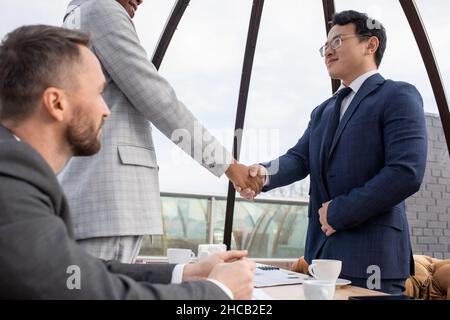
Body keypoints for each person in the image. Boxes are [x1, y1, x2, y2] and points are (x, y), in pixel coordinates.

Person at [0, 25, 255, 299]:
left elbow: (71, 274)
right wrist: (217, 292)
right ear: (56, 103)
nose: (106, 110)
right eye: (99, 92)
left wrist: (185, 273)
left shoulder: (15, 173)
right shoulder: (10, 181)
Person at [237, 10, 427, 294]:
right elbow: (299, 158)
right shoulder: (323, 111)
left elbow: (406, 172)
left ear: (370, 45)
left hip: (374, 259)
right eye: (325, 45)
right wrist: (263, 174)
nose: (328, 50)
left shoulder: (398, 95)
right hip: (321, 258)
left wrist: (339, 211)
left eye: (337, 41)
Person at [60, 0, 262, 262]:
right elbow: (157, 98)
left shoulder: (76, 14)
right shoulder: (102, 9)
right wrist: (230, 166)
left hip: (92, 198)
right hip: (110, 200)